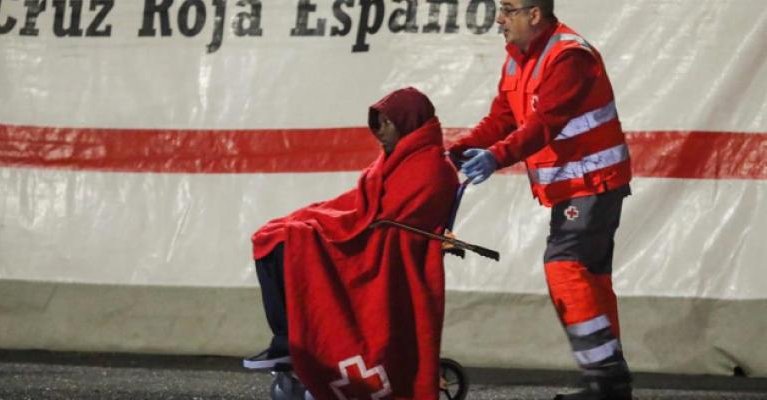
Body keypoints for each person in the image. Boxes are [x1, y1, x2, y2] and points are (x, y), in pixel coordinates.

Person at [446, 1, 633, 399]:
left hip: (593, 182)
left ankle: (605, 381)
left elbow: (545, 122)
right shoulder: (519, 58)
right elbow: (503, 118)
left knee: (565, 267)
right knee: (592, 280)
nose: (498, 18)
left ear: (535, 14)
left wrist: (496, 156)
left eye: (508, 9)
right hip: (576, 186)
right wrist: (461, 148)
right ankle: (610, 384)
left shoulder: (569, 57)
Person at [246, 87, 460, 399]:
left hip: (384, 253)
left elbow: (393, 224)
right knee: (272, 235)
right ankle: (287, 340)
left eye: (387, 123)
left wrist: (324, 227)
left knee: (287, 241)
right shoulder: (397, 158)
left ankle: (288, 341)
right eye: (378, 122)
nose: (379, 131)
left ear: (407, 122)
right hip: (373, 237)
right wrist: (318, 216)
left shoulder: (431, 168)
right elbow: (365, 205)